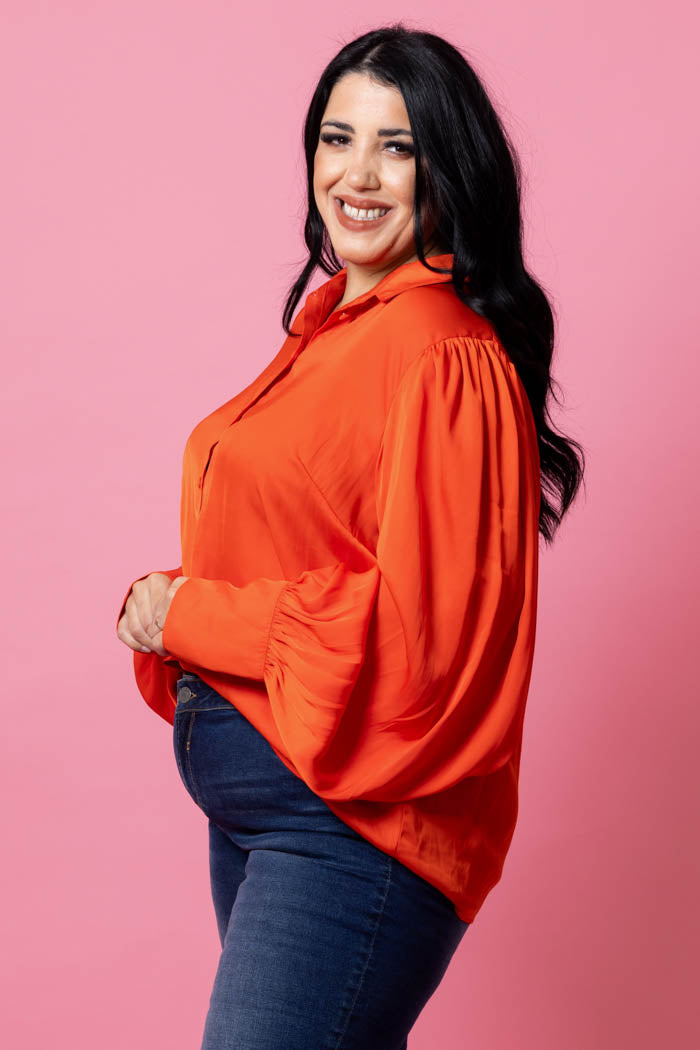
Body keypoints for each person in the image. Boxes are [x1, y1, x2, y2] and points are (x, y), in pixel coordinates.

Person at [116, 23, 585, 1050]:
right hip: (270, 815)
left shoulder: (443, 354)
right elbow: (312, 557)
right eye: (337, 139)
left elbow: (423, 649)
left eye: (397, 147)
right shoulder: (330, 332)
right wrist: (177, 607)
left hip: (352, 825)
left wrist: (191, 613)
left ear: (445, 170)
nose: (357, 175)